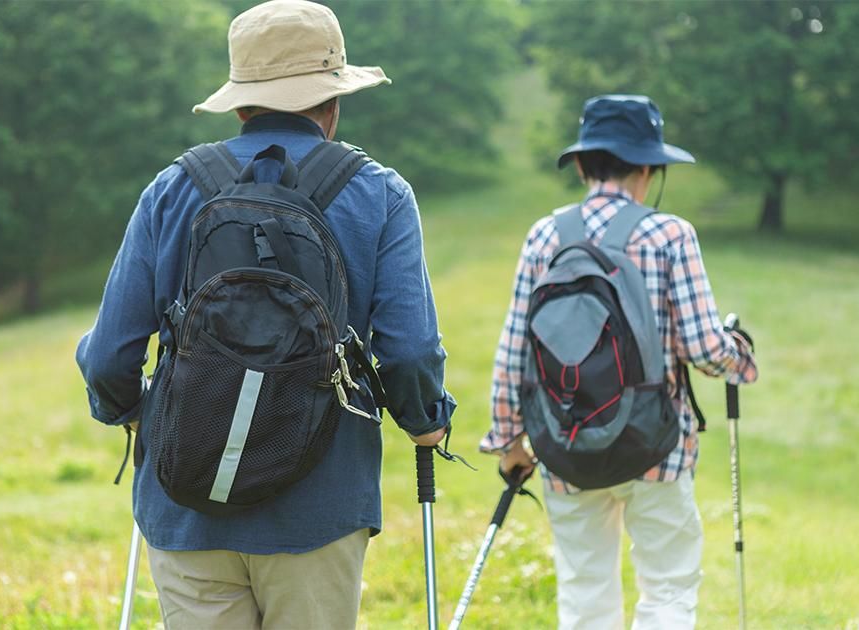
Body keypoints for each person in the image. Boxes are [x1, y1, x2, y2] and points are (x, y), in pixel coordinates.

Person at [75, 1, 454, 627]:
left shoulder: (173, 188)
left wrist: (134, 414)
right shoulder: (381, 193)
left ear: (241, 102)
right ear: (332, 102)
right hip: (319, 508)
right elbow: (410, 352)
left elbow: (111, 352)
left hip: (185, 502)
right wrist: (426, 422)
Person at [481, 94, 758, 629]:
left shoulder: (545, 236)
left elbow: (514, 349)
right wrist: (739, 356)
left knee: (585, 595)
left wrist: (509, 441)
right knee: (669, 589)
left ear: (582, 163)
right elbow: (703, 349)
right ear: (650, 168)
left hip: (565, 446)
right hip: (655, 447)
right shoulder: (670, 234)